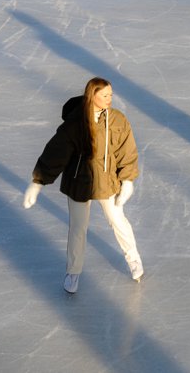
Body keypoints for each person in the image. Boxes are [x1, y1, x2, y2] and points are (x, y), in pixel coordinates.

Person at [22, 77, 144, 294]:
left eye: (111, 95)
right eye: (104, 95)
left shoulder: (117, 120)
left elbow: (127, 151)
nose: (109, 99)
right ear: (92, 95)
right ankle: (73, 271)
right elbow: (55, 152)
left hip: (107, 180)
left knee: (118, 221)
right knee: (78, 228)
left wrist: (127, 180)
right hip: (79, 181)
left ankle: (133, 259)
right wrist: (38, 182)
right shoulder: (76, 123)